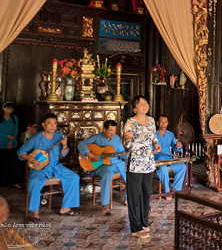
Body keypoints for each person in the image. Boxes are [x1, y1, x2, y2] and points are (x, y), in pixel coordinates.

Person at [17, 113, 80, 223]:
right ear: (43, 125)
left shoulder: (59, 136)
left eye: (55, 123)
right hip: (40, 168)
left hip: (56, 166)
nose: (53, 126)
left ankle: (65, 207)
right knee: (35, 181)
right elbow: (21, 152)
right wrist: (32, 159)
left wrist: (65, 145)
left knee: (74, 177)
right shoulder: (36, 138)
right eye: (50, 123)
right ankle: (35, 212)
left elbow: (64, 154)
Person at [123, 95, 161, 239]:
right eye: (140, 104)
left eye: (146, 103)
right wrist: (127, 139)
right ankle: (135, 227)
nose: (144, 106)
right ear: (134, 108)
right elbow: (126, 144)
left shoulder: (151, 121)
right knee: (134, 195)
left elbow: (153, 137)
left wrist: (156, 144)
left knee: (146, 193)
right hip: (134, 163)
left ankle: (144, 222)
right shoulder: (130, 122)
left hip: (148, 162)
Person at [78, 120, 127, 215]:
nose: (113, 133)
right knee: (107, 174)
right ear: (104, 129)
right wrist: (90, 155)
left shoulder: (116, 138)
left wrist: (130, 156)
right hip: (102, 165)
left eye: (114, 130)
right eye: (110, 130)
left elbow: (122, 152)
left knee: (131, 171)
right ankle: (105, 205)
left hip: (117, 164)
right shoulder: (97, 138)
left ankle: (128, 199)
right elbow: (81, 144)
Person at [154, 115, 186, 194]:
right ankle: (167, 191)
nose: (163, 124)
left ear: (167, 123)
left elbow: (175, 148)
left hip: (169, 158)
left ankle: (176, 188)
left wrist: (178, 146)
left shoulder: (170, 134)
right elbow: (149, 149)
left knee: (182, 166)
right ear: (157, 123)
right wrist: (154, 151)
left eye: (165, 122)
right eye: (161, 122)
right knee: (163, 169)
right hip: (158, 159)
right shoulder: (153, 134)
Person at [0, 101, 21, 187]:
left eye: (11, 108)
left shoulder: (14, 118)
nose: (9, 110)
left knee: (12, 162)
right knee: (1, 162)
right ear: (3, 108)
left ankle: (13, 182)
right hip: (1, 142)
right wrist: (7, 135)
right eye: (7, 108)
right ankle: (2, 182)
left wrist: (11, 141)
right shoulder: (0, 118)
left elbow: (15, 130)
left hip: (12, 143)